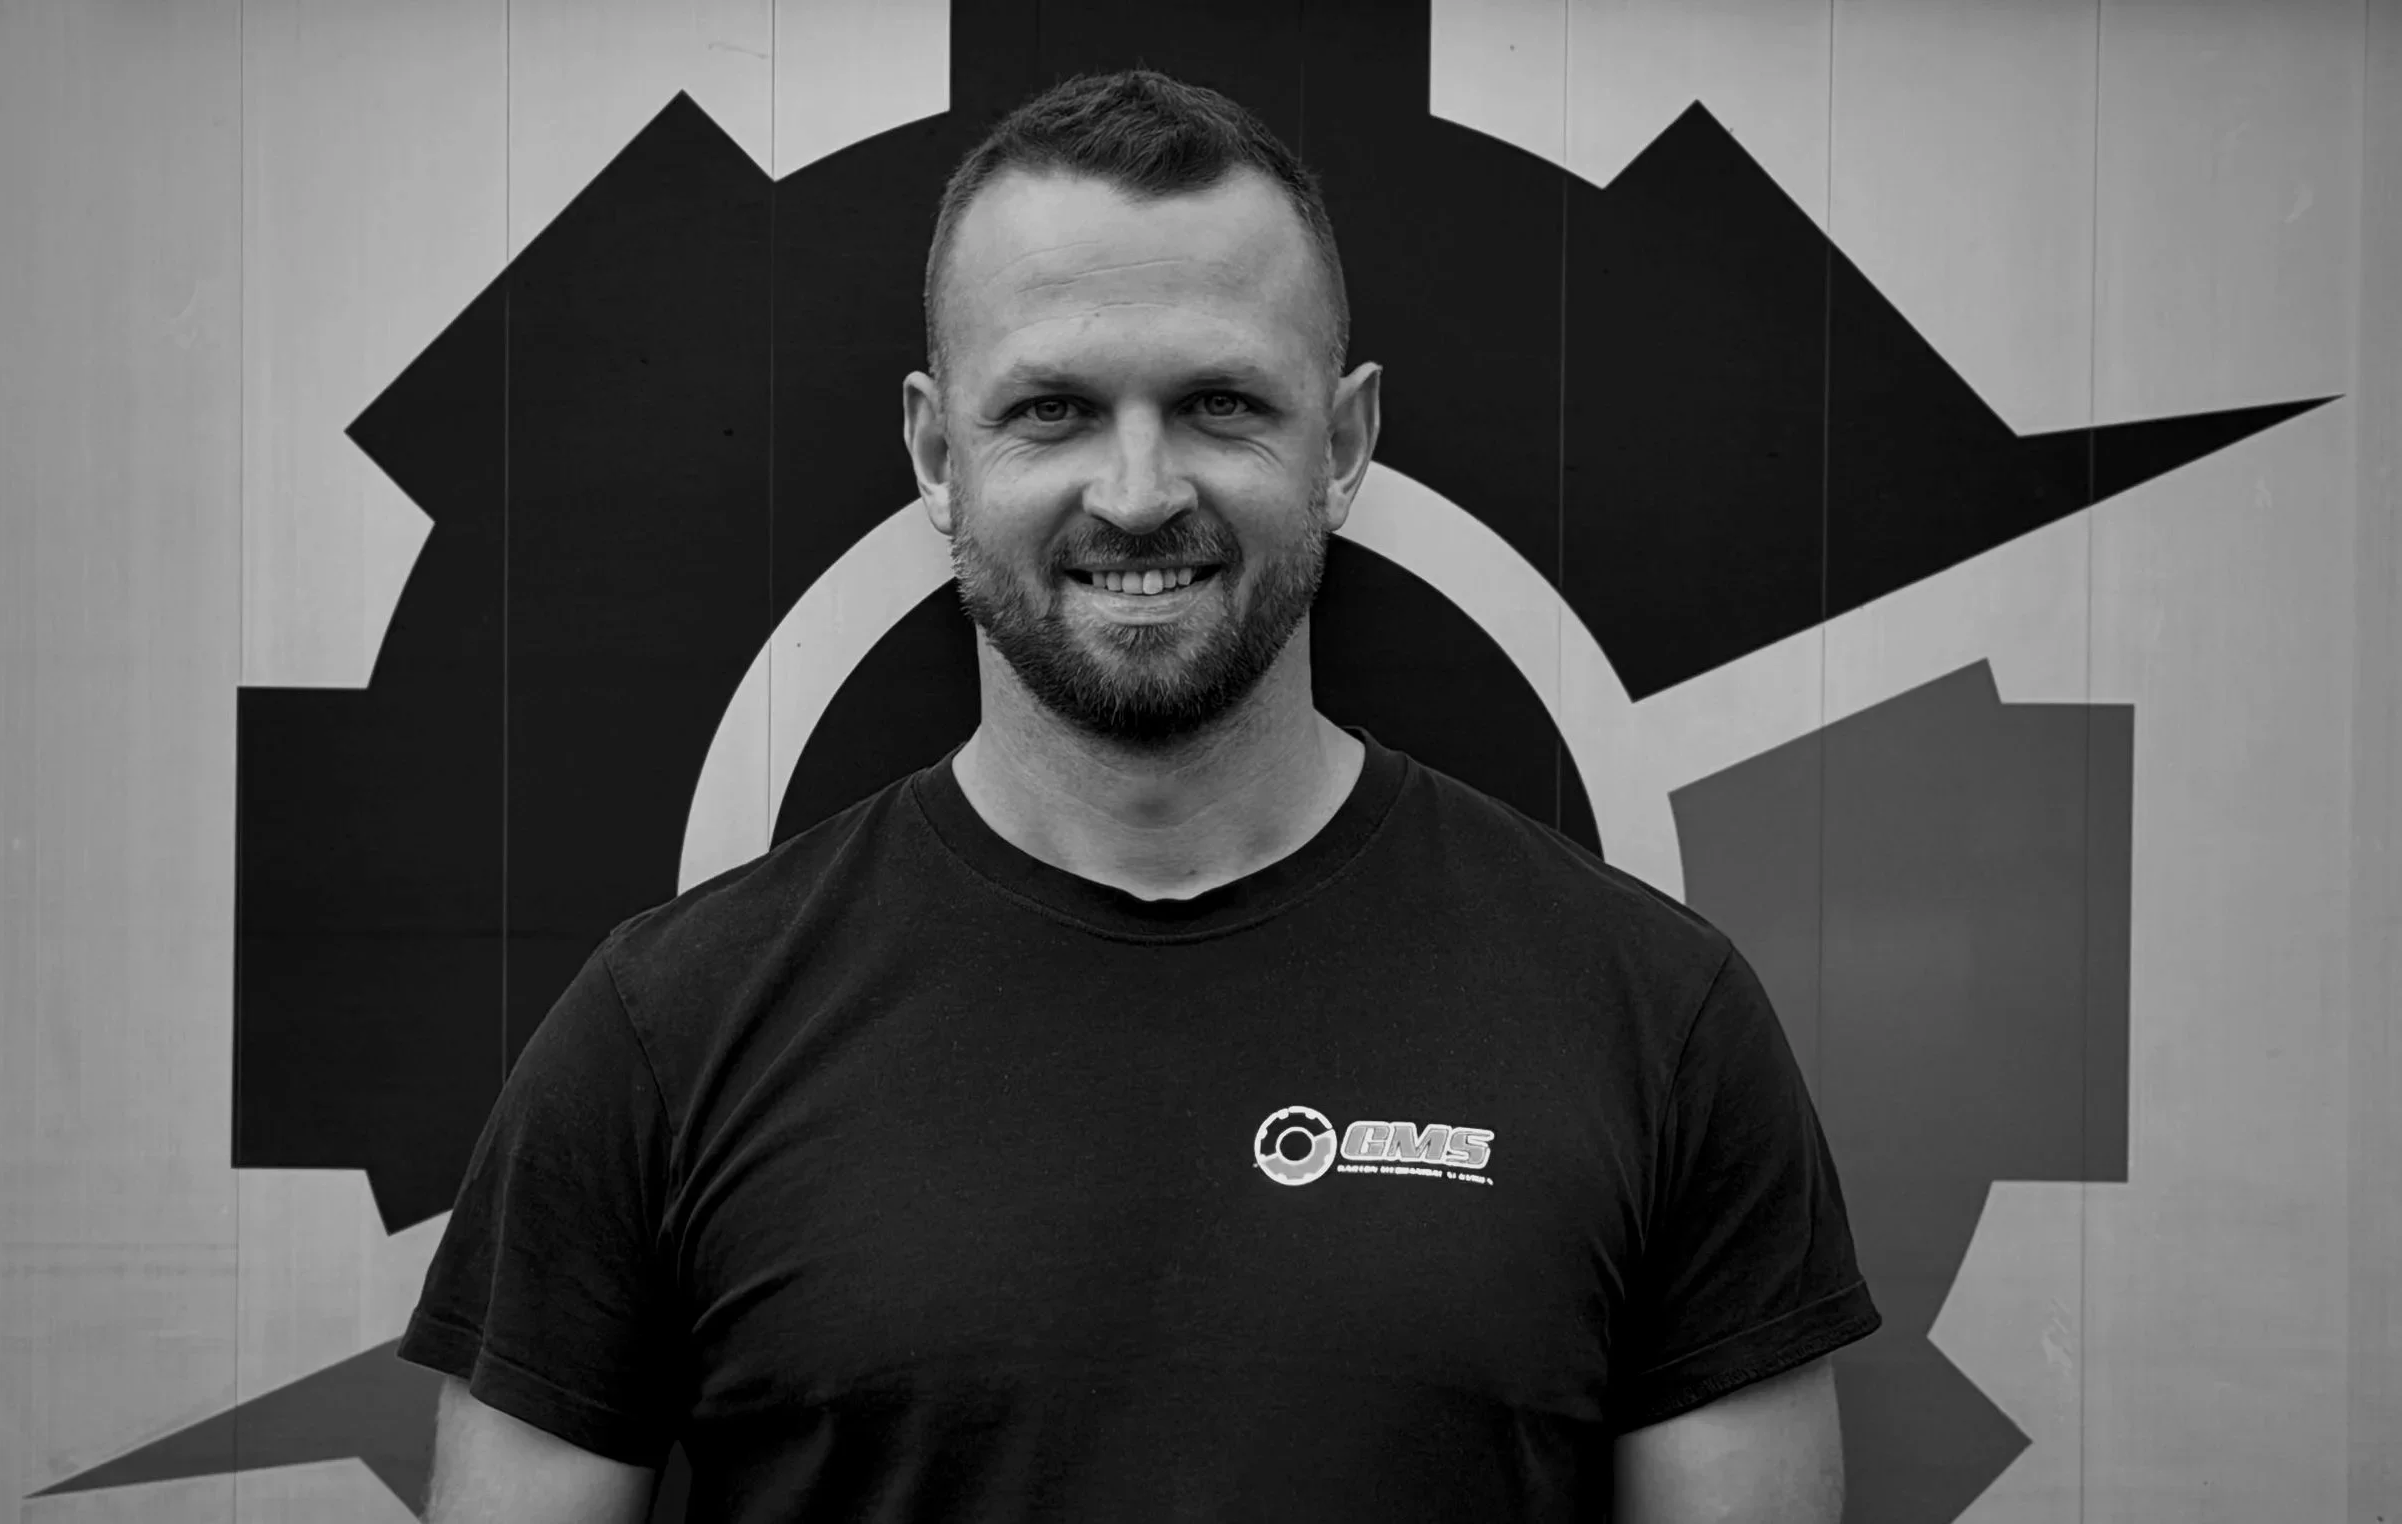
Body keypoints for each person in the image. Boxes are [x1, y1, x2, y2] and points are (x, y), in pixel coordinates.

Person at [397, 67, 1882, 1523]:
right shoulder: (665, 1037)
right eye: (1049, 410)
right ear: (935, 451)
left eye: (1222, 402)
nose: (1134, 492)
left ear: (1345, 442)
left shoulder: (1651, 1020)